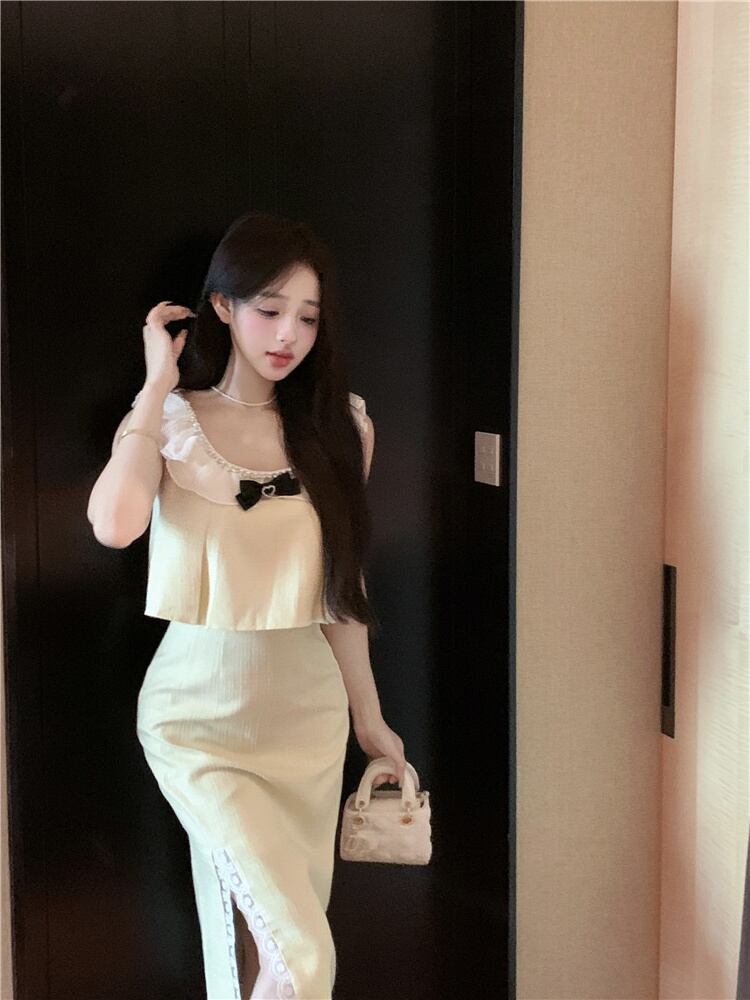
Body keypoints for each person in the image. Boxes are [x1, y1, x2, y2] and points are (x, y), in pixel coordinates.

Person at [86, 210, 407, 999]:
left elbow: (343, 593)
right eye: (269, 309)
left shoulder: (342, 428)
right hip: (198, 720)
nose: (289, 334)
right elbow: (114, 525)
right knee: (302, 955)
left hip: (307, 724)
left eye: (308, 316)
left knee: (273, 950)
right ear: (223, 307)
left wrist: (369, 719)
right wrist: (156, 386)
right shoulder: (171, 420)